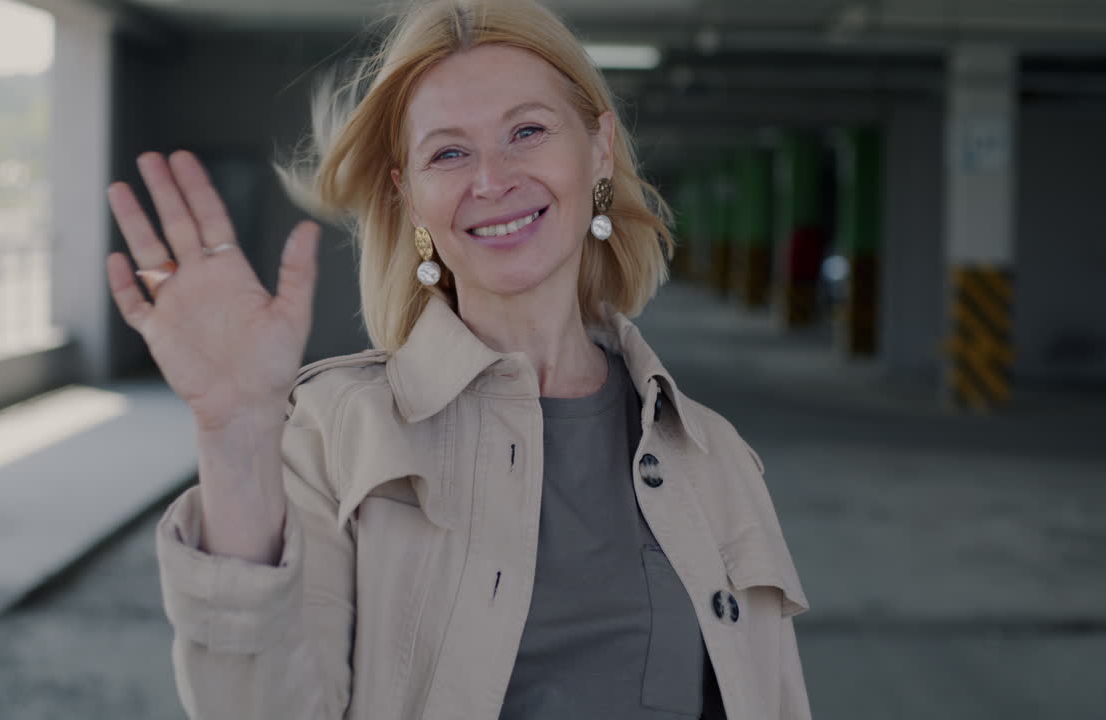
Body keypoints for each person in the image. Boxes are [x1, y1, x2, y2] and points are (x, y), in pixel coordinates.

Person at [104, 0, 810, 718]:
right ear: (409, 198)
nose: (491, 180)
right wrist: (237, 436)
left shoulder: (715, 459)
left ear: (597, 152)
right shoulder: (335, 437)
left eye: (527, 132)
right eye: (448, 152)